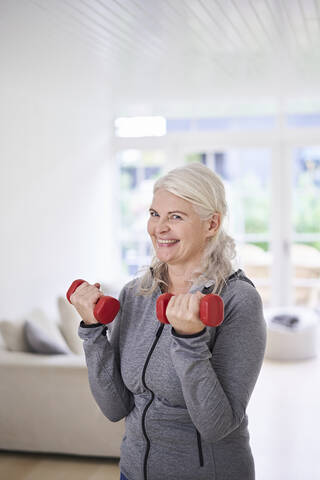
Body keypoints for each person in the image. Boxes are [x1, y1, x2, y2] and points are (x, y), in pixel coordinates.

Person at [70, 163, 266, 480]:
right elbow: (114, 408)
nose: (159, 227)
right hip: (132, 472)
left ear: (211, 224)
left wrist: (189, 341)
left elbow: (217, 425)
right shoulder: (135, 294)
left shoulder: (237, 301)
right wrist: (93, 332)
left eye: (176, 216)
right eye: (154, 214)